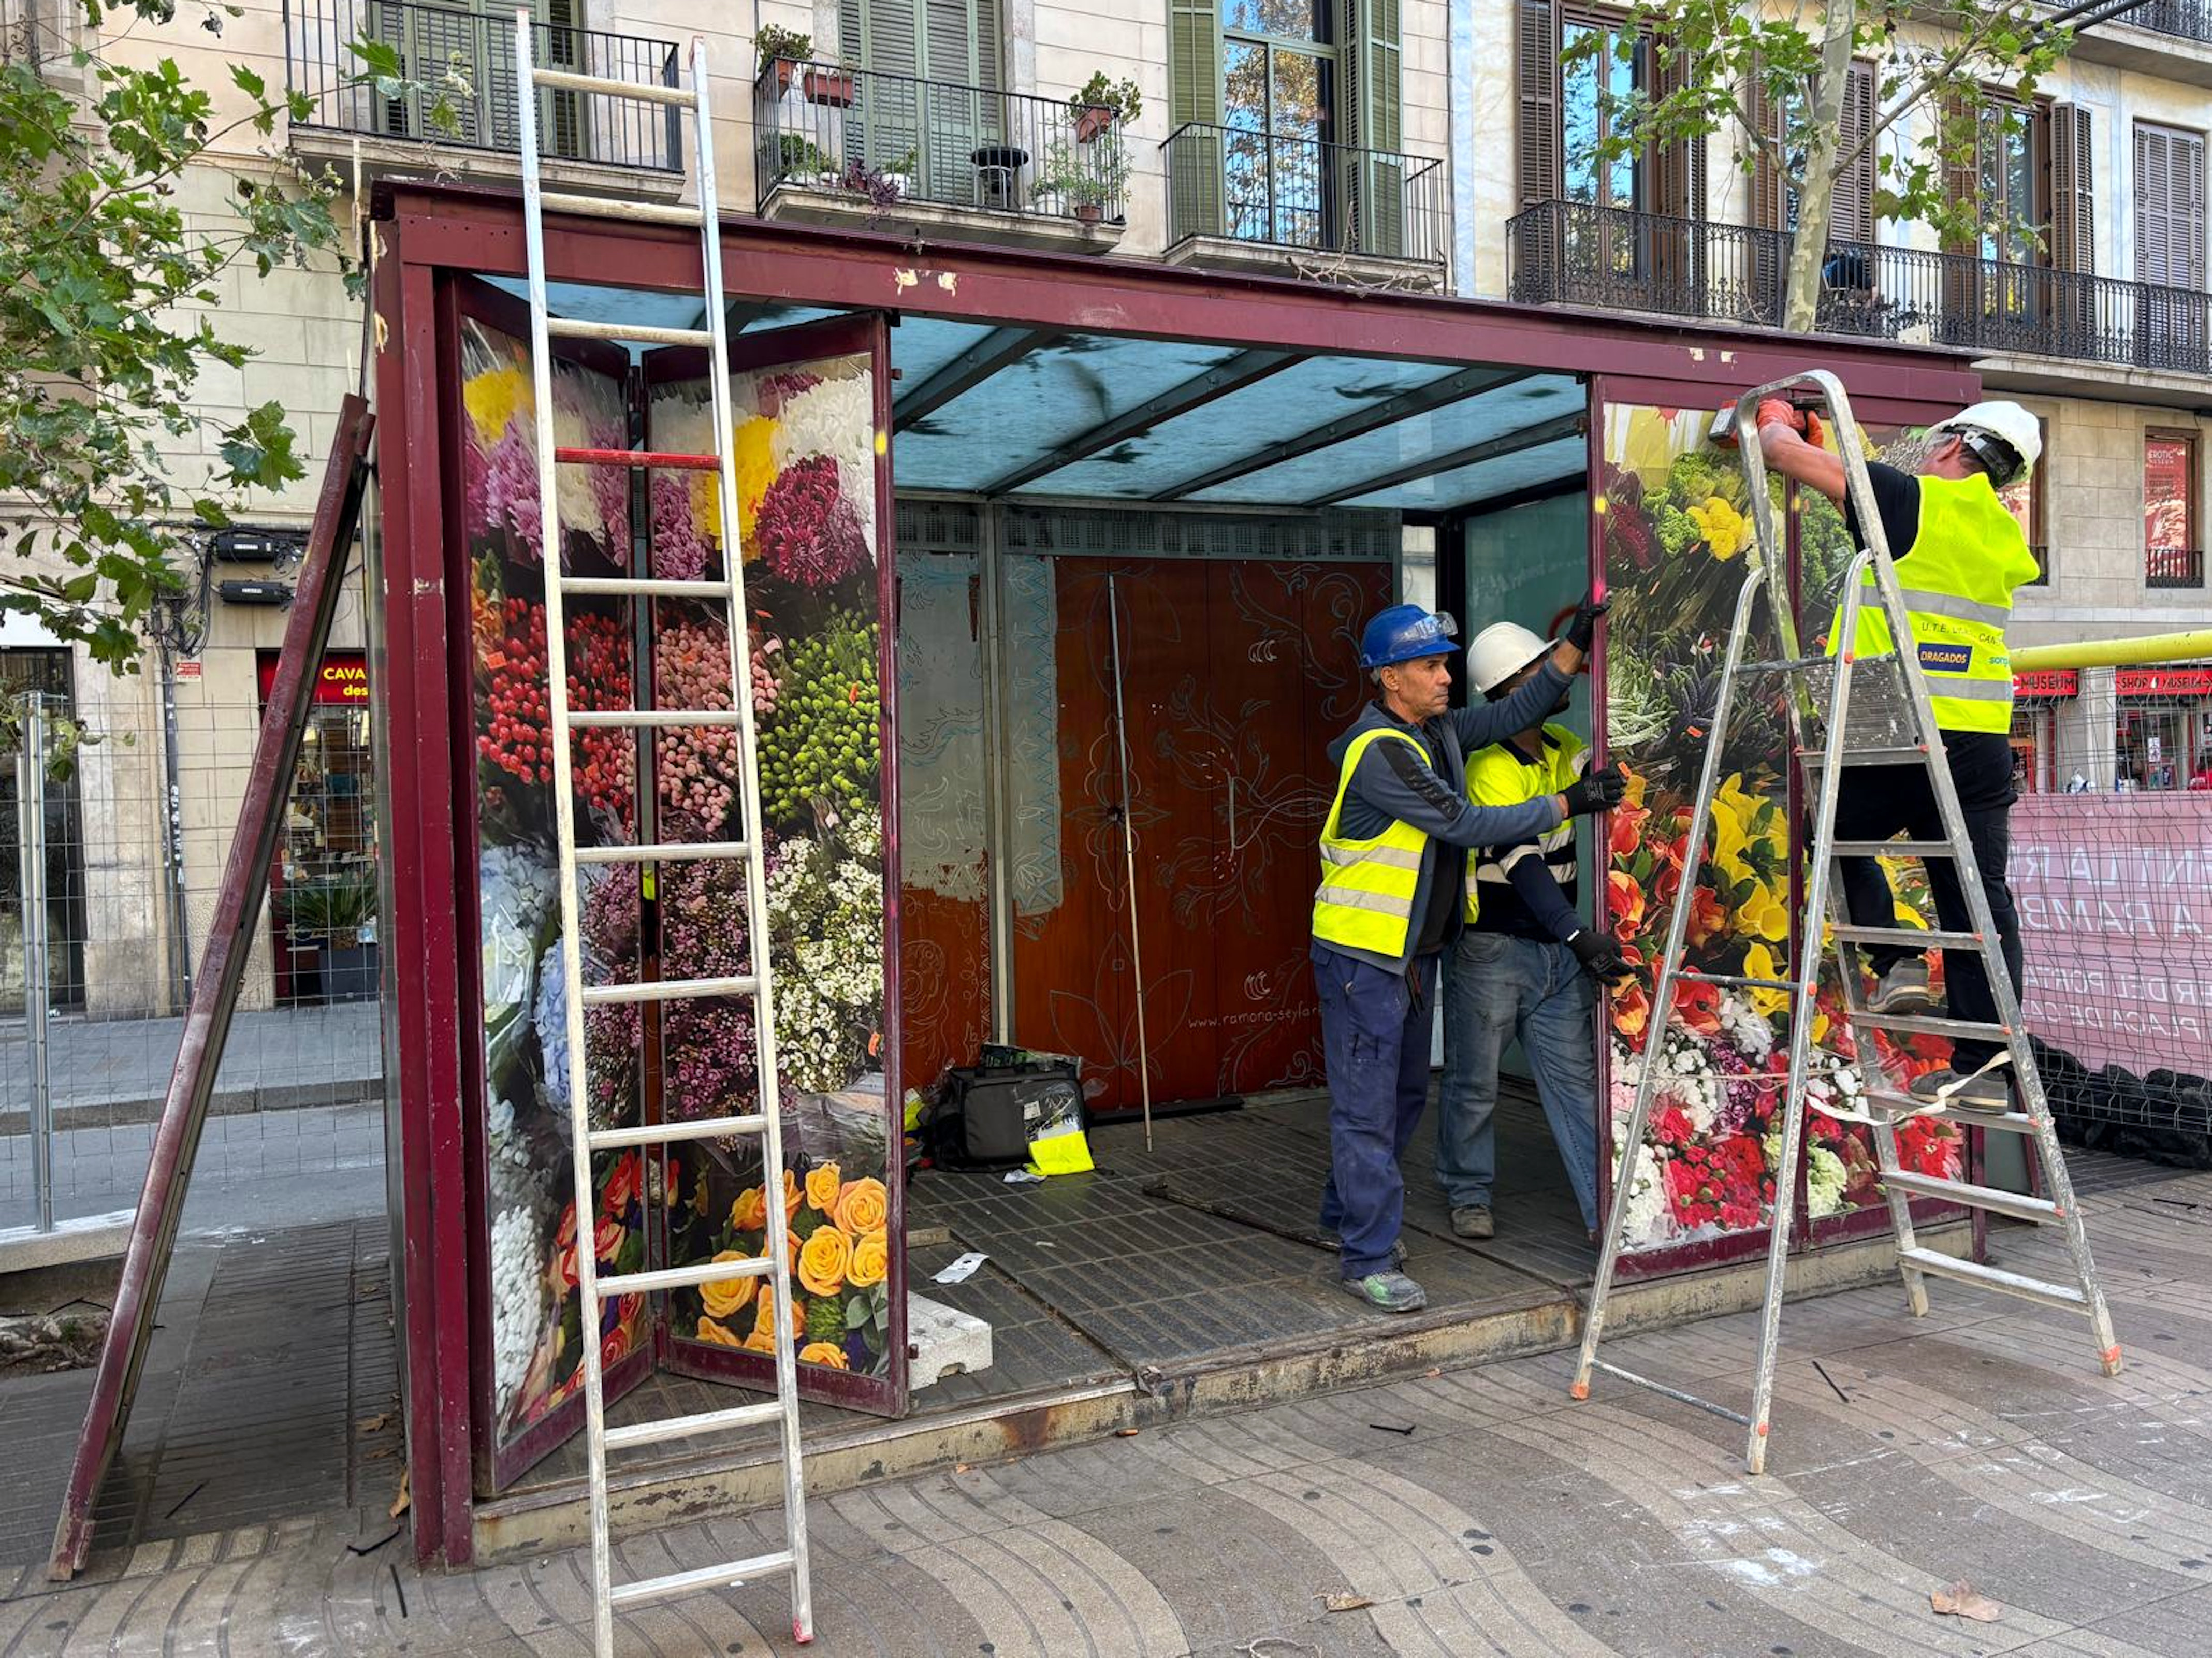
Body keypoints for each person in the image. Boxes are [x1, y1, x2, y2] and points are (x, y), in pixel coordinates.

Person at [1314, 599, 1625, 1312]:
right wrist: (1567, 804)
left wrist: (1575, 643)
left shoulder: (1438, 730)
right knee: (1367, 1111)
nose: (1448, 677)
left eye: (1447, 663)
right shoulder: (1382, 751)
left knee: (1400, 1098)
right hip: (1365, 956)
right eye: (1431, 665)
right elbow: (1463, 823)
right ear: (1391, 679)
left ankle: (1342, 1215)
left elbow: (1523, 705)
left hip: (1411, 955)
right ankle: (1366, 1256)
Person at [1753, 397, 2042, 1110]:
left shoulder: (1907, 497)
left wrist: (1774, 416)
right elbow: (1864, 491)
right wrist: (1835, 441)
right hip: (1977, 740)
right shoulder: (2000, 531)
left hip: (1896, 729)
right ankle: (1985, 1068)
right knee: (1978, 901)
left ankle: (1896, 959)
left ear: (1953, 447)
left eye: (1935, 441)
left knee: (1830, 832)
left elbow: (1781, 454)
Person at [1435, 623, 1631, 1244]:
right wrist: (1579, 937)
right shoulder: (1489, 765)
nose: (1558, 675)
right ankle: (1468, 1194)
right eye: (1540, 670)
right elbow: (1520, 863)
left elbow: (1621, 784)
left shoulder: (1566, 745)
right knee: (1475, 1085)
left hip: (1555, 949)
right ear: (1509, 692)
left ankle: (1609, 1216)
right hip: (1495, 949)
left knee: (1578, 1085)